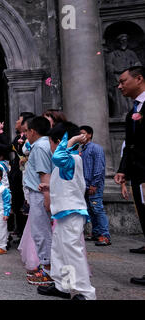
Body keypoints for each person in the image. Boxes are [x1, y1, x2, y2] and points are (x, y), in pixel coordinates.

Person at [37, 122, 96, 300]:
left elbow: (58, 157)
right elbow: (66, 183)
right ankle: (64, 286)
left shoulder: (69, 158)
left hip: (71, 213)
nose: (51, 148)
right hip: (63, 213)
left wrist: (71, 140)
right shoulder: (67, 161)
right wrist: (49, 187)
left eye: (51, 143)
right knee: (60, 251)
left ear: (59, 141)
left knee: (72, 251)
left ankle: (87, 293)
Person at [114, 66, 145, 286]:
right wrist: (122, 169)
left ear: (139, 79)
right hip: (138, 174)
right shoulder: (131, 112)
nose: (119, 86)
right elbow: (129, 145)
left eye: (123, 81)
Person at [23, 116, 54, 285]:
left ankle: (48, 270)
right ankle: (46, 266)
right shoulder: (43, 145)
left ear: (32, 131)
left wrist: (47, 197)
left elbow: (44, 174)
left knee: (41, 231)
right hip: (39, 193)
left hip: (40, 194)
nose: (25, 134)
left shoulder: (40, 147)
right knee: (40, 231)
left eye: (26, 131)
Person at [79, 125, 111, 246]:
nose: (81, 136)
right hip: (85, 185)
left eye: (83, 133)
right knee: (91, 210)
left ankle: (105, 235)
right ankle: (96, 233)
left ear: (89, 135)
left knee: (97, 209)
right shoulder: (83, 149)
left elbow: (99, 168)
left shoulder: (95, 148)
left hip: (94, 185)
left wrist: (94, 184)